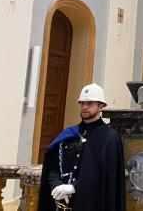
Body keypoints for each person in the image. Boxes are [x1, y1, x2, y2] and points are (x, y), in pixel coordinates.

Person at [38, 83, 125, 211]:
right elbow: (53, 167)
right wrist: (56, 185)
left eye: (90, 103)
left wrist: (74, 187)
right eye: (82, 103)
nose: (85, 107)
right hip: (62, 204)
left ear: (101, 106)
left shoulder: (110, 138)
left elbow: (107, 176)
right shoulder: (68, 134)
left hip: (94, 203)